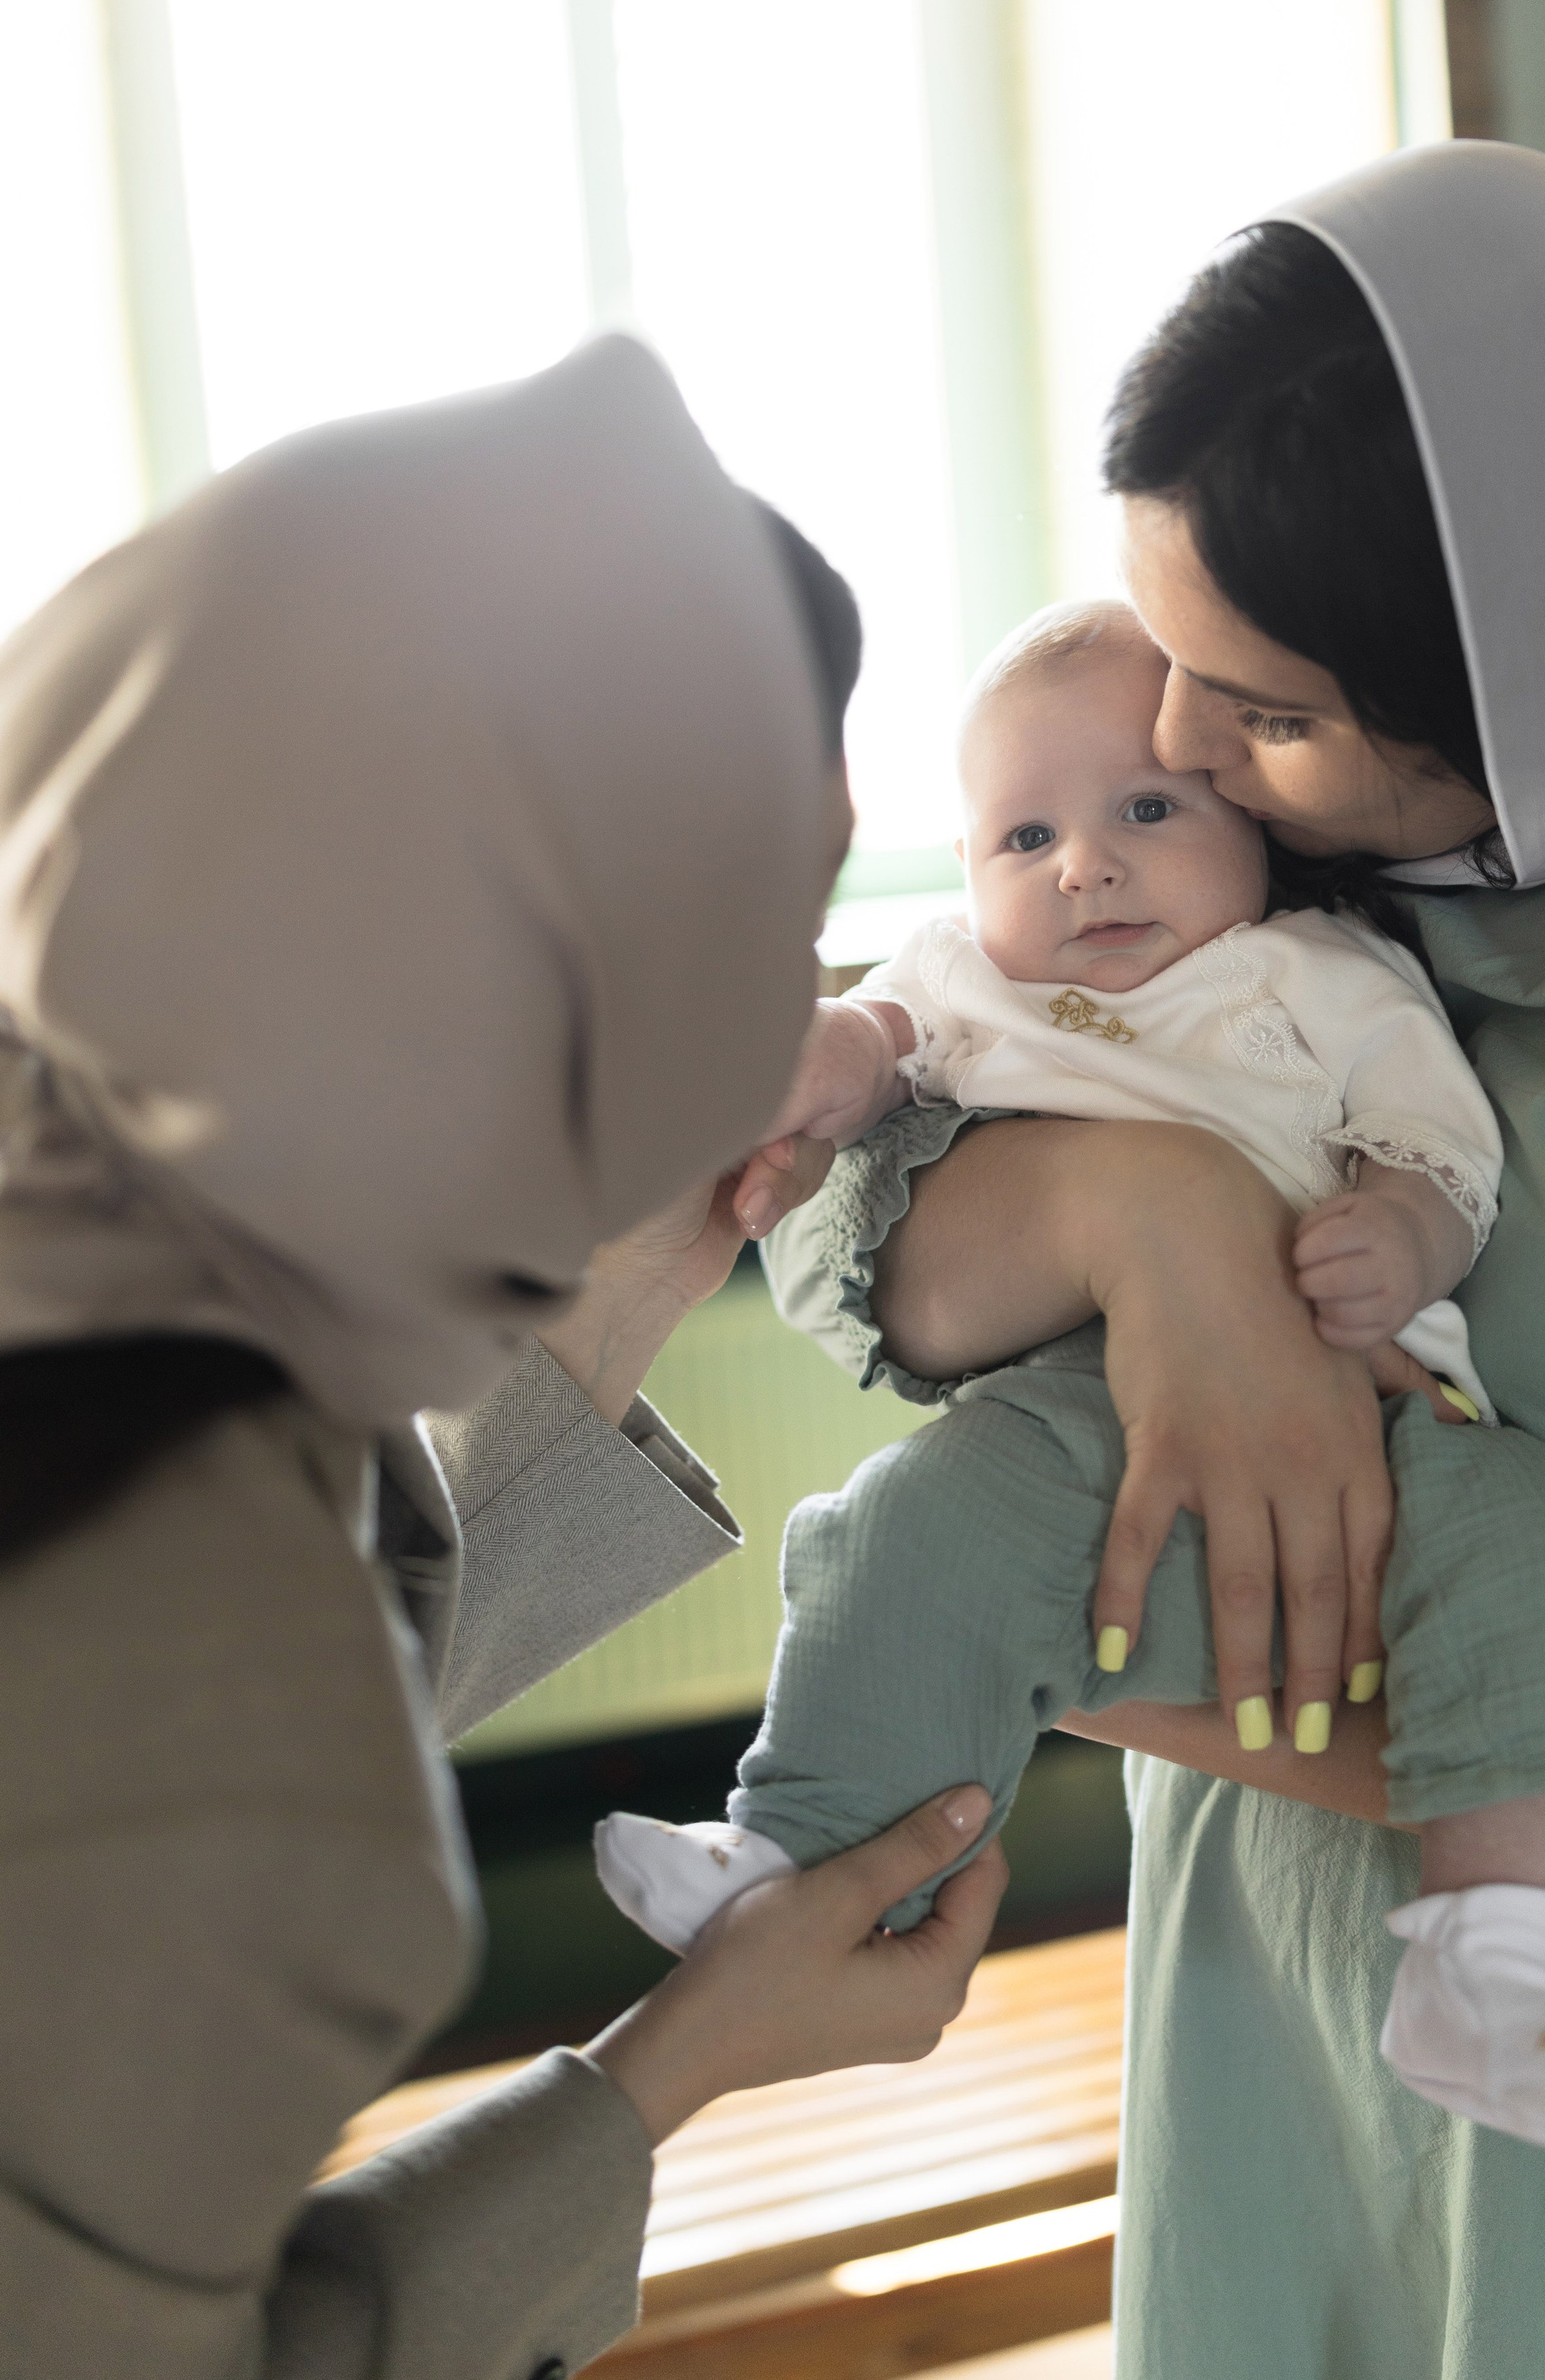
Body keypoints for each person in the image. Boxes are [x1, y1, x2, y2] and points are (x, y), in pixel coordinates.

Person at [753, 142, 1545, 2376]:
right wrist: (1161, 1229)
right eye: (1178, 668)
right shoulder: (1303, 833)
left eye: (1269, 710)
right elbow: (865, 1261)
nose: (1175, 749)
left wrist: (1132, 1677)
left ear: (1524, 661)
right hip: (1263, 2000)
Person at [0, 336, 1006, 2380]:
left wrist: (621, 1245)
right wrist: (680, 2060)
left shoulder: (106, 1219)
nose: (798, 1012)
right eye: (759, 922)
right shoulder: (217, 1710)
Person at [596, 594, 1545, 2152]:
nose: (1081, 865)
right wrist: (834, 1051)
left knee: (1540, 1552)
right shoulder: (978, 973)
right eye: (1020, 835)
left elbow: (1437, 1150)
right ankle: (785, 1849)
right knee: (905, 1529)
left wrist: (1399, 1228)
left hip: (1393, 1419)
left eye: (1145, 811)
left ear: (1248, 824)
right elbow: (878, 1037)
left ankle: (1491, 1957)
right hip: (1072, 1409)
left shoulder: (1319, 976)